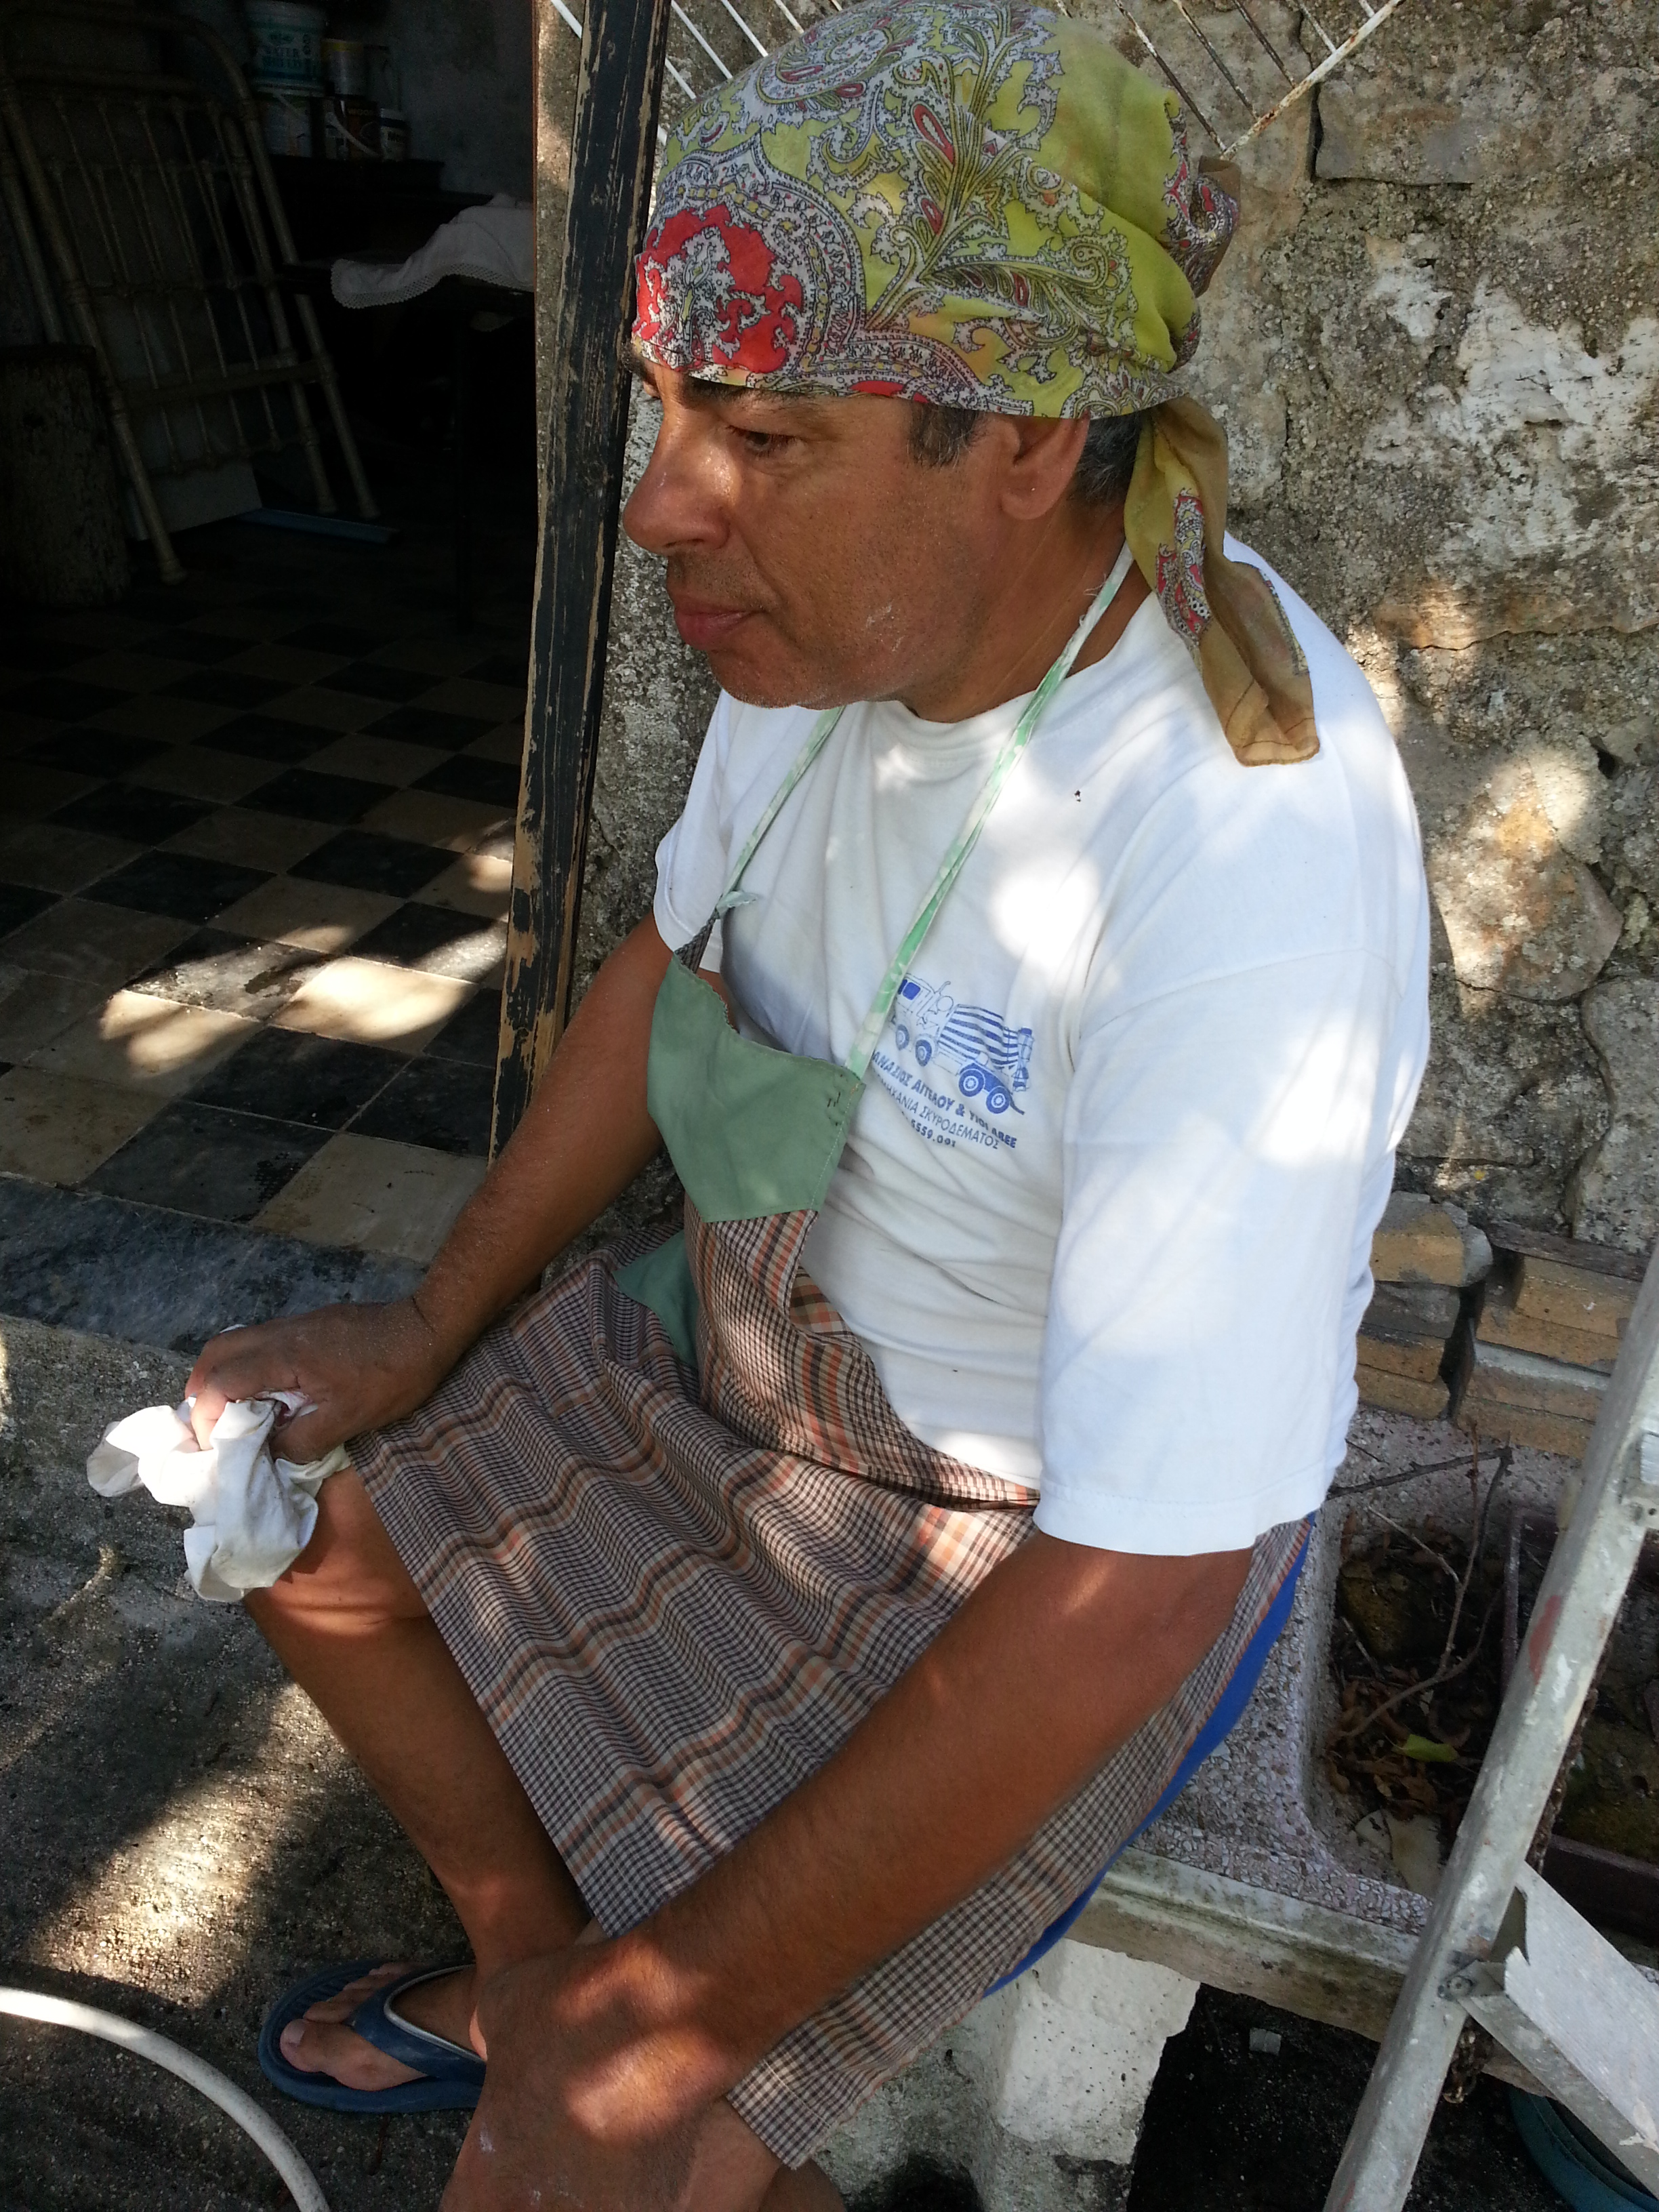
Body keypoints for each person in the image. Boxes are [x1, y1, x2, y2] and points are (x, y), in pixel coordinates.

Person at [186, 3, 1429, 2205]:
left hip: (1014, 1545)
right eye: (670, 408)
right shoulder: (823, 629)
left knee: (619, 2151)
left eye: (759, 430)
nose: (661, 504)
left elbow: (1140, 1583)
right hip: (748, 1370)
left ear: (1021, 435)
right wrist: (434, 1317)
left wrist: (667, 2043)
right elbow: (669, 957)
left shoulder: (1242, 845)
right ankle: (534, 1978)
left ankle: (605, 2055)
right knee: (282, 1496)